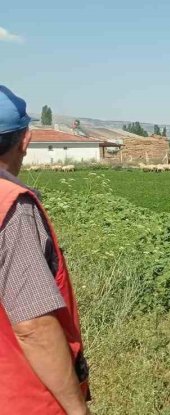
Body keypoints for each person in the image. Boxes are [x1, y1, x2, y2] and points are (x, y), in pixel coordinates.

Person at [0, 85, 90, 414]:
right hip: (18, 395)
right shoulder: (9, 206)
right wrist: (76, 409)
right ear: (25, 140)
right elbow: (33, 326)